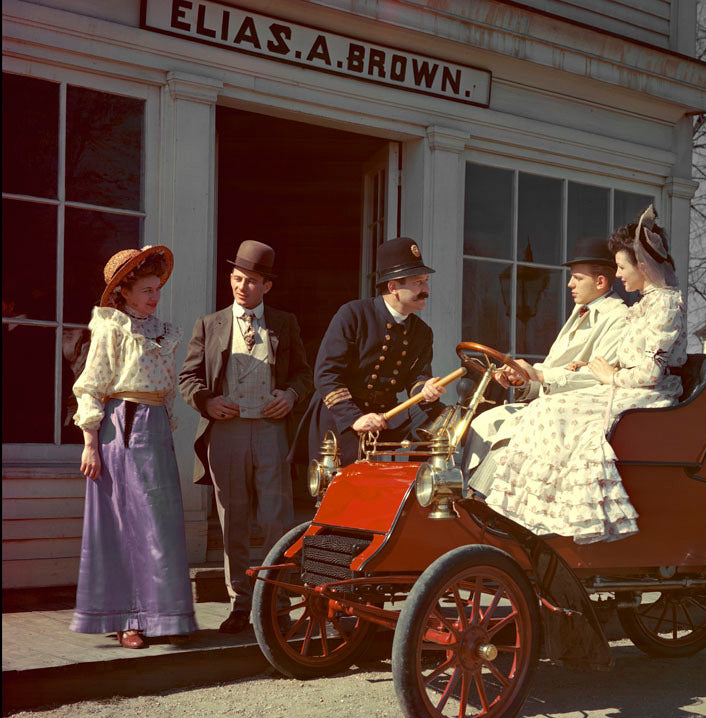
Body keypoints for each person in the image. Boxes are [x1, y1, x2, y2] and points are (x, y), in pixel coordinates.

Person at [484, 205, 687, 544]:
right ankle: (533, 511)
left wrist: (609, 376)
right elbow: (631, 359)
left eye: (622, 267)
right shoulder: (644, 303)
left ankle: (559, 516)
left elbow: (651, 372)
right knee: (544, 409)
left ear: (643, 266)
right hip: (627, 386)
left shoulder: (664, 303)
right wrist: (591, 367)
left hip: (650, 394)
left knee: (553, 410)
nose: (618, 275)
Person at [178, 241, 312, 634]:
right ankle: (239, 603)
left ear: (266, 286)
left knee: (276, 522)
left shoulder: (284, 323)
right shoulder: (210, 324)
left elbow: (303, 375)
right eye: (237, 278)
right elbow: (188, 377)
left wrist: (291, 395)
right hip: (227, 433)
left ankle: (277, 604)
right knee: (233, 522)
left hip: (271, 432)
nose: (242, 286)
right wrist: (207, 402)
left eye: (251, 281)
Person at [71, 245, 197, 648]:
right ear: (123, 292)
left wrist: (163, 425)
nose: (154, 297)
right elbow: (91, 386)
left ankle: (162, 616)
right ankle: (128, 619)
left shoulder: (161, 330)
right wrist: (90, 445)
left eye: (157, 288)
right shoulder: (111, 327)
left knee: (159, 524)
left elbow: (167, 389)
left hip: (155, 428)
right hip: (122, 428)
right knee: (125, 522)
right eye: (146, 290)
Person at [465, 236, 628, 491]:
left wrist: (539, 375)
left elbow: (596, 378)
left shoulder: (618, 317)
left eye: (578, 278)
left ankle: (485, 500)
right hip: (553, 401)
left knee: (509, 432)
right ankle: (464, 492)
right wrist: (523, 378)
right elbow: (557, 368)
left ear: (600, 281)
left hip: (579, 412)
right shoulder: (581, 310)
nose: (570, 284)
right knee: (483, 422)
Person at [293, 237, 445, 468]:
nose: (426, 289)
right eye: (418, 283)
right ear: (393, 287)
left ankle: (424, 480)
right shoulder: (353, 315)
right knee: (344, 485)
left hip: (384, 415)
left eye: (425, 282)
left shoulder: (422, 332)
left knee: (440, 416)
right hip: (340, 416)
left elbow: (418, 377)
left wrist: (425, 389)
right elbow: (326, 375)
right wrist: (354, 418)